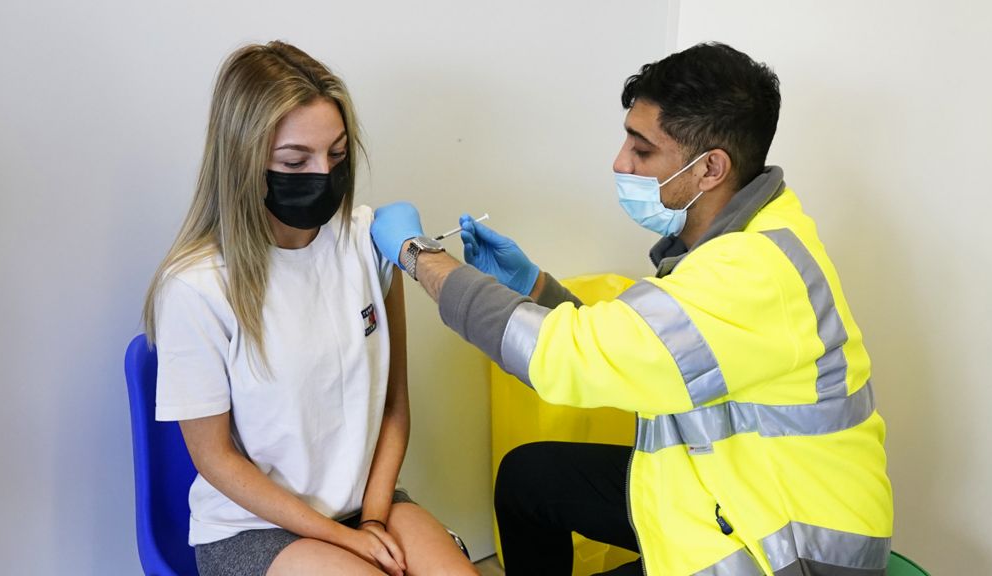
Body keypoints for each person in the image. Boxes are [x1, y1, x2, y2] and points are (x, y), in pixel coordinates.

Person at [369, 42, 894, 575]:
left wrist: (419, 256)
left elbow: (571, 359)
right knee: (532, 476)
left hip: (789, 549)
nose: (621, 162)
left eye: (642, 151)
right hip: (727, 486)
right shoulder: (743, 235)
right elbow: (645, 352)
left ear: (710, 168)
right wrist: (534, 286)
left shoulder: (751, 270)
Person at [142, 41, 478, 576]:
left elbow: (394, 403)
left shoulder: (368, 243)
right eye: (296, 161)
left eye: (338, 154)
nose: (323, 173)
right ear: (244, 160)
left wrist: (370, 522)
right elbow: (215, 460)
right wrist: (340, 539)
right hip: (253, 528)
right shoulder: (196, 286)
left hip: (366, 505)